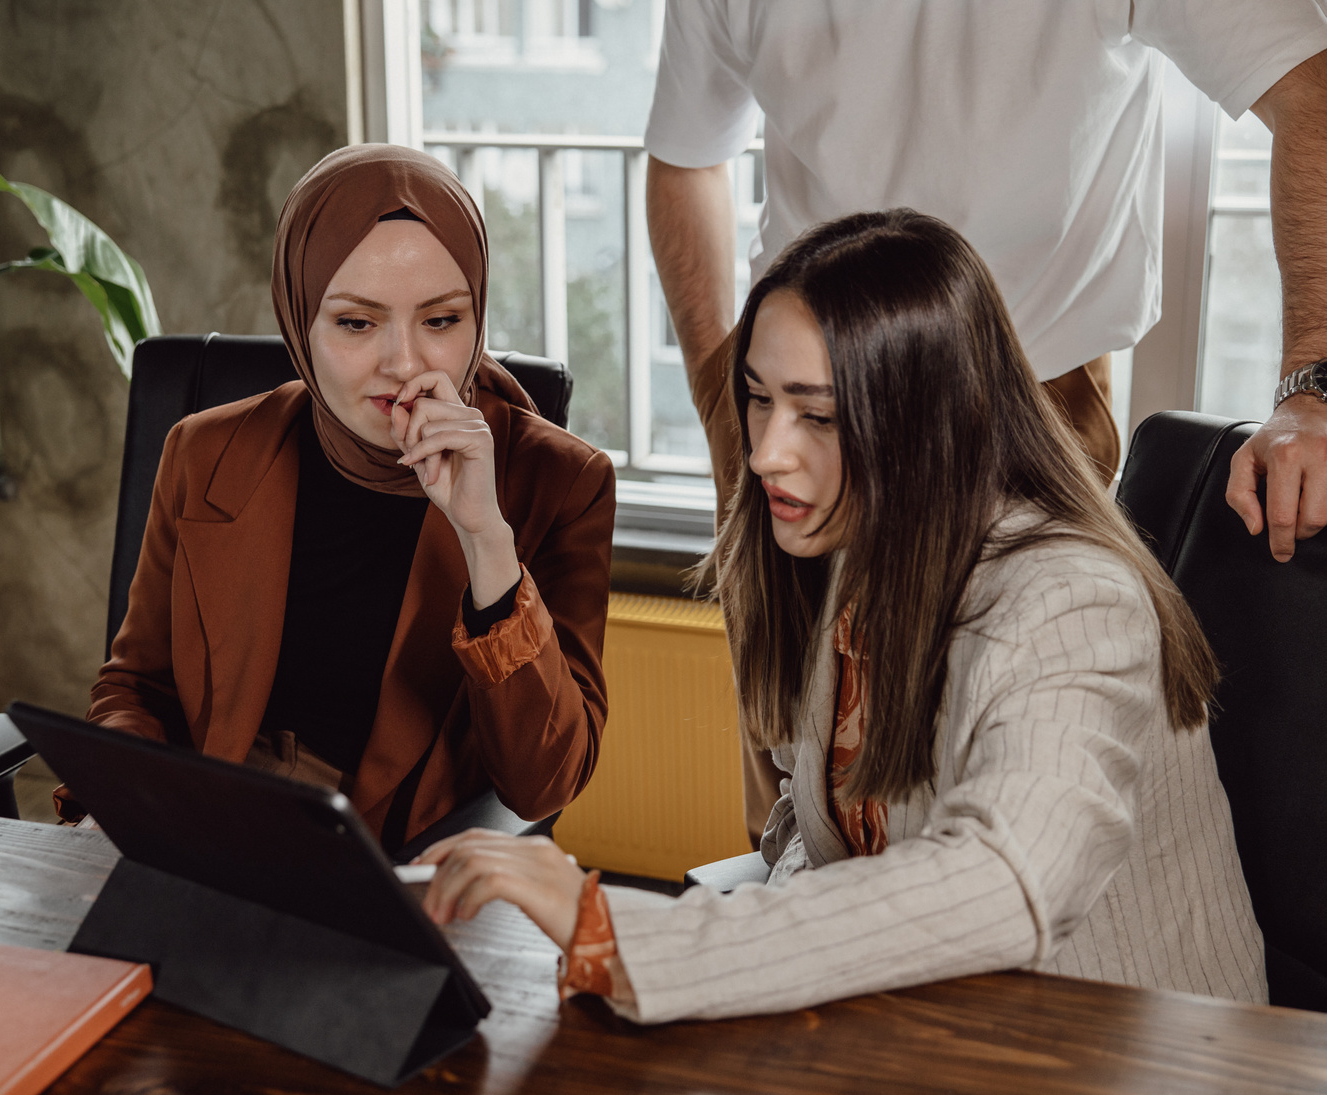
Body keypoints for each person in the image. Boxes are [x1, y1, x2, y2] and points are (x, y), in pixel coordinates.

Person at [415, 210, 1265, 1021]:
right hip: (931, 1025)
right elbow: (820, 829)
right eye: (759, 398)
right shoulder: (855, 545)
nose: (765, 452)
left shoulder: (1073, 599)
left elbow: (1007, 880)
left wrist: (623, 929)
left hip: (1127, 1055)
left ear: (928, 419)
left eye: (817, 414)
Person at [645, 1, 1327, 846]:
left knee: (982, 803)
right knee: (800, 802)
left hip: (1028, 394)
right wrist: (728, 401)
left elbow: (1311, 90)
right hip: (810, 393)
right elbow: (684, 160)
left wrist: (1312, 381)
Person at [83, 144, 616, 850]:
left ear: (478, 317)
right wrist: (127, 795)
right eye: (357, 324)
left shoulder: (560, 482)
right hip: (209, 829)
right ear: (301, 318)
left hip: (399, 868)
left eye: (442, 320)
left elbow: (543, 781)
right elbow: (136, 689)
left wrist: (487, 539)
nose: (403, 364)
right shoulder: (203, 452)